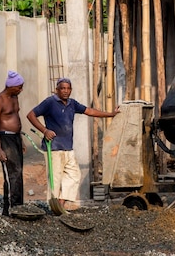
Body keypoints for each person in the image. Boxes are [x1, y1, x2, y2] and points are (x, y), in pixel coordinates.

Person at [27, 78, 119, 210]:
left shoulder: (72, 103)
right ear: (57, 90)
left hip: (68, 147)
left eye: (68, 88)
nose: (65, 91)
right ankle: (54, 208)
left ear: (71, 90)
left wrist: (110, 114)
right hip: (54, 148)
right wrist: (45, 130)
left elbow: (90, 111)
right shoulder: (50, 102)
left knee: (74, 175)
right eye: (62, 88)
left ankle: (60, 203)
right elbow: (31, 115)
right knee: (55, 179)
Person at [0, 71, 26, 216]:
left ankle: (18, 206)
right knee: (12, 173)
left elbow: (16, 118)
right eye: (19, 87)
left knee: (19, 173)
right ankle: (12, 208)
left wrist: (21, 139)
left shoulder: (15, 97)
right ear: (11, 86)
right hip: (5, 139)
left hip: (16, 138)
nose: (21, 90)